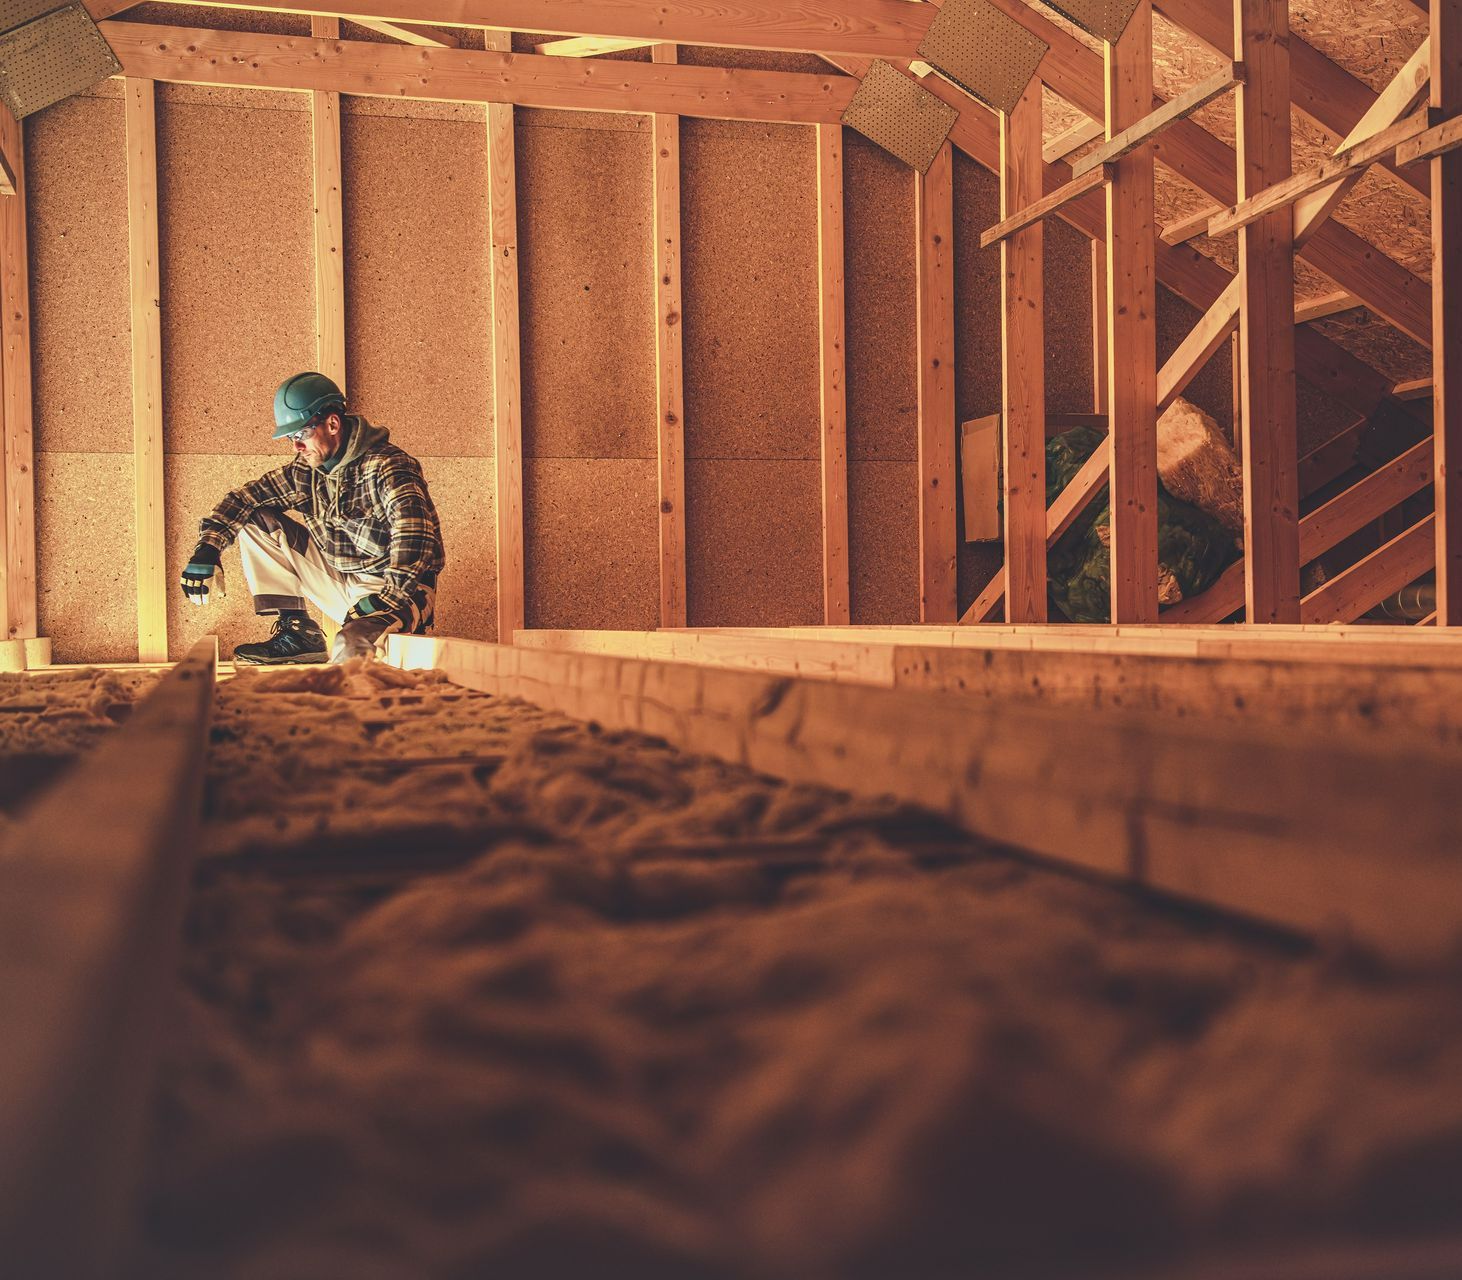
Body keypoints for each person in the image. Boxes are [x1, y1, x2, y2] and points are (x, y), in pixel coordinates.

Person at [179, 372, 445, 665]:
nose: (296, 446)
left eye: (301, 434)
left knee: (352, 643)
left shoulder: (388, 467)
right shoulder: (305, 473)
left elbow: (416, 538)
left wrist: (387, 598)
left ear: (332, 424)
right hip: (341, 580)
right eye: (291, 437)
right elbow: (242, 500)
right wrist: (208, 548)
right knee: (254, 518)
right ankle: (299, 632)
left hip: (398, 590)